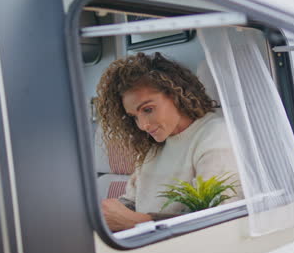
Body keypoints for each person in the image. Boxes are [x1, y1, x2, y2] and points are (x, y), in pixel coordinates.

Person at [96, 52, 243, 232]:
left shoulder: (216, 136)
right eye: (134, 117)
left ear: (175, 95)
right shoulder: (155, 146)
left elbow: (218, 218)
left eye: (148, 109)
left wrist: (138, 223)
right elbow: (134, 200)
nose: (143, 125)